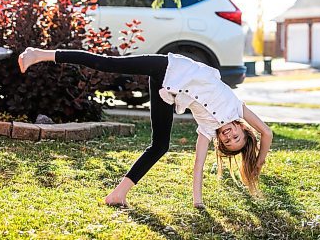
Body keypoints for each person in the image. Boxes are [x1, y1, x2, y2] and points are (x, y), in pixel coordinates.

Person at [18, 47, 273, 209]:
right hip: (169, 67)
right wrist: (258, 163)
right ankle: (40, 54)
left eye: (228, 141)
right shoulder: (237, 109)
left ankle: (118, 194)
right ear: (241, 127)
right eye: (236, 135)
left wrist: (198, 202)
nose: (229, 135)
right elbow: (267, 133)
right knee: (108, 63)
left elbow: (198, 167)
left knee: (160, 145)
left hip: (167, 91)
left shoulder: (207, 129)